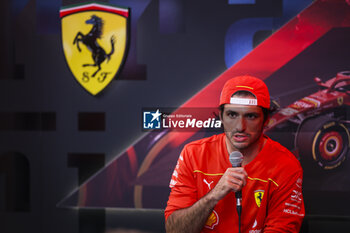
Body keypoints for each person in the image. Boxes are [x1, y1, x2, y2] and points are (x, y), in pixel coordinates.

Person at [164, 75, 305, 233]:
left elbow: (281, 229)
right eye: (232, 115)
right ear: (221, 117)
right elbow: (174, 230)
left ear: (266, 120)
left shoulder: (286, 164)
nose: (240, 126)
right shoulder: (193, 154)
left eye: (251, 116)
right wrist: (214, 195)